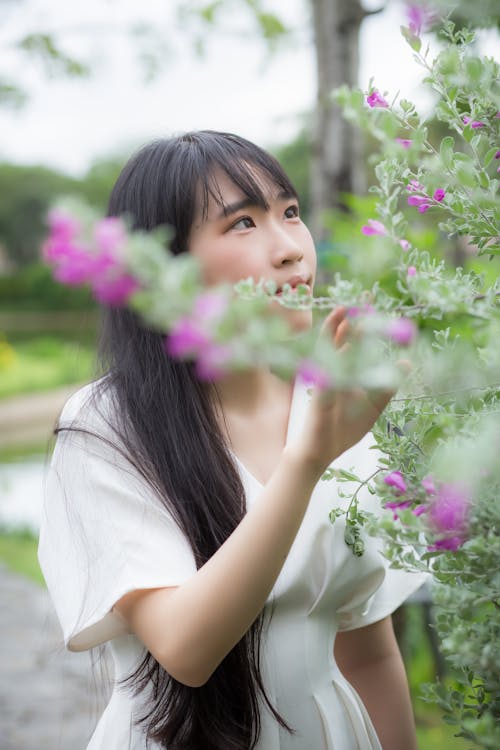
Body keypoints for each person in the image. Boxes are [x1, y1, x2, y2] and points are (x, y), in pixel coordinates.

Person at [38, 130, 426, 750]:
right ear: (164, 263)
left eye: (289, 212)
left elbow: (369, 654)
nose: (290, 250)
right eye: (243, 223)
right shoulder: (106, 426)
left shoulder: (330, 400)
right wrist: (307, 463)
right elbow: (186, 651)